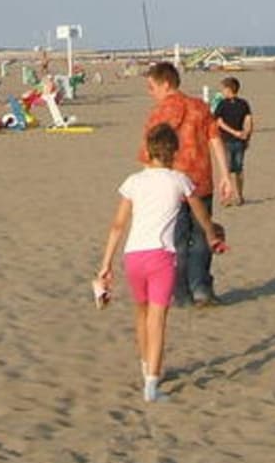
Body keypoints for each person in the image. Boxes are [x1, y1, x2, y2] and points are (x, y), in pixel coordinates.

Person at [95, 122, 224, 404]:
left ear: (148, 151)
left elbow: (118, 225)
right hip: (161, 256)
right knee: (158, 319)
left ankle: (146, 366)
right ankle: (152, 385)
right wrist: (211, 234)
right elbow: (200, 214)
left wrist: (106, 264)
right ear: (174, 152)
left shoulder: (133, 182)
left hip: (133, 256)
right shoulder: (180, 180)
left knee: (141, 313)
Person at [140, 61, 230, 307]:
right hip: (201, 183)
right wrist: (225, 175)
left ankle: (182, 293)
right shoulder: (199, 107)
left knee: (177, 242)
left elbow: (148, 156)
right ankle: (200, 289)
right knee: (203, 237)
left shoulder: (158, 114)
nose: (150, 92)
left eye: (152, 87)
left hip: (171, 188)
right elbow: (215, 140)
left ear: (166, 84)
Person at [212, 77, 255, 206]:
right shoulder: (244, 103)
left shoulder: (223, 104)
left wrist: (235, 133)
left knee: (227, 170)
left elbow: (219, 122)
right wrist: (246, 135)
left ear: (229, 89)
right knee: (238, 169)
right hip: (239, 140)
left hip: (227, 140)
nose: (222, 91)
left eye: (223, 89)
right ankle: (239, 196)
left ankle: (227, 198)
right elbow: (249, 121)